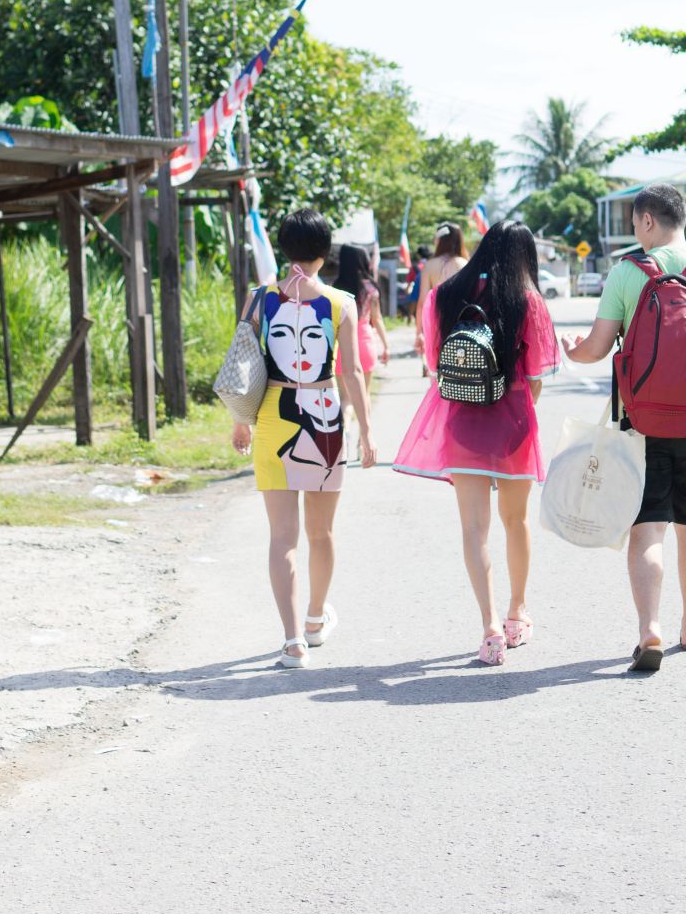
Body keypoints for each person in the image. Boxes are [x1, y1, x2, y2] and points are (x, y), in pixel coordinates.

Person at [560, 183, 686, 672]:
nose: (634, 230)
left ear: (649, 221)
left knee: (648, 526)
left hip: (641, 425)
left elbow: (596, 347)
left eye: (635, 222)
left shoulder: (627, 274)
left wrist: (573, 349)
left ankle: (648, 629)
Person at [395, 223, 557, 665]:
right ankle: (517, 613)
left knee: (473, 528)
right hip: (512, 422)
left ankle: (488, 629)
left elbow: (435, 365)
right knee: (516, 521)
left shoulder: (444, 295)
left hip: (462, 421)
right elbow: (538, 376)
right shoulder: (527, 300)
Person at [230, 210, 378, 668]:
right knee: (322, 532)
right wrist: (367, 432)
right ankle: (315, 619)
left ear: (285, 247)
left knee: (282, 538)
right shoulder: (340, 302)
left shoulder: (258, 300)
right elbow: (351, 371)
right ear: (323, 252)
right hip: (324, 419)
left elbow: (242, 361)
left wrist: (240, 421)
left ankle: (292, 640)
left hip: (273, 416)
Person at [334, 242, 390, 378]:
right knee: (364, 397)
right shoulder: (371, 289)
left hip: (342, 346)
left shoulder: (335, 289)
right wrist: (386, 347)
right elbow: (377, 319)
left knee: (344, 398)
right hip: (365, 343)